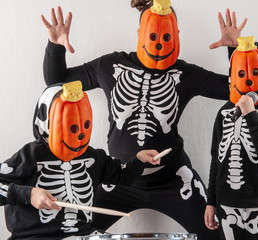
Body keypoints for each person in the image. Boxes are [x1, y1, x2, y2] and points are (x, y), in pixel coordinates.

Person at [40, 1, 246, 239]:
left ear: (176, 35)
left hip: (174, 179)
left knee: (214, 233)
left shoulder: (185, 74)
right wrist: (55, 46)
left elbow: (237, 90)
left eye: (167, 36)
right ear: (140, 33)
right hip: (118, 179)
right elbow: (57, 81)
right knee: (74, 230)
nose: (159, 43)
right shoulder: (110, 66)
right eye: (152, 35)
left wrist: (235, 50)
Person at [0, 81, 160, 240]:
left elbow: (123, 176)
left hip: (83, 234)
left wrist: (138, 160)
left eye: (84, 124)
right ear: (46, 121)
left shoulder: (93, 157)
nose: (80, 135)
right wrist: (29, 194)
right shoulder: (30, 156)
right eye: (71, 127)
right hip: (35, 237)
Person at [204, 36, 258, 240]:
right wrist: (211, 201)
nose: (249, 80)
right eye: (241, 74)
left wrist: (251, 115)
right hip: (227, 203)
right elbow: (216, 159)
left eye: (256, 73)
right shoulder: (225, 112)